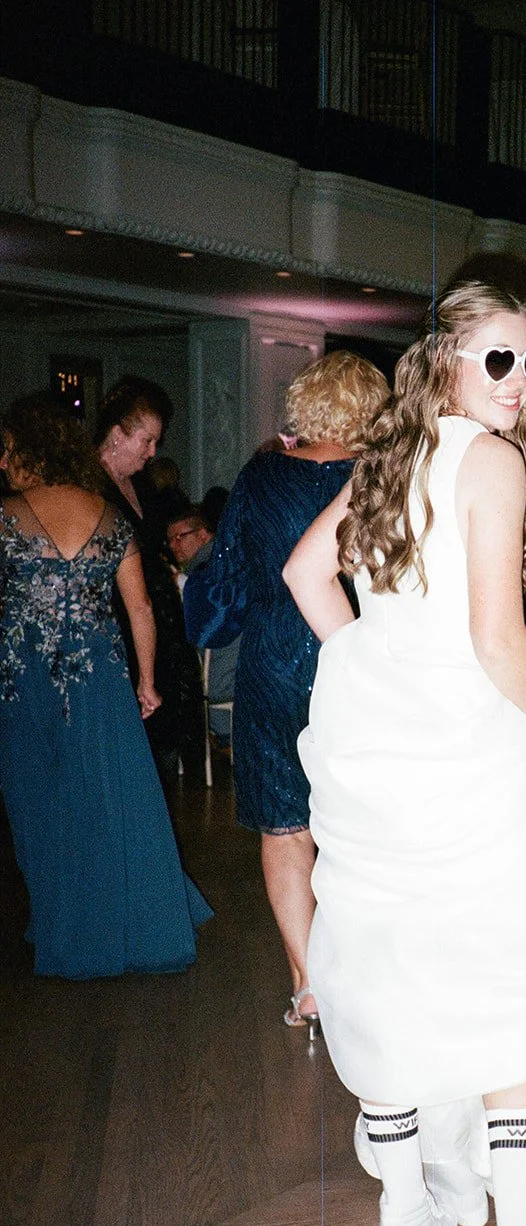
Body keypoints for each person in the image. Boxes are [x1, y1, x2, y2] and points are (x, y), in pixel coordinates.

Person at [284, 281, 526, 1226]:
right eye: (498, 358)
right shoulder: (494, 459)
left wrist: (375, 669)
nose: (519, 382)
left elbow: (306, 575)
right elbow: (495, 634)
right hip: (463, 746)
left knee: (389, 965)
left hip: (374, 754)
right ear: (448, 360)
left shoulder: (394, 455)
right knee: (511, 972)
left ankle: (403, 1220)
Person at [183, 350, 389, 1035]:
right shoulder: (383, 475)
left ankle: (307, 984)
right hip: (361, 662)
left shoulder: (262, 474)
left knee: (284, 825)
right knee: (366, 826)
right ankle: (373, 976)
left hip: (273, 666)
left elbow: (227, 585)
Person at [0, 396, 210, 977]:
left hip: (24, 676)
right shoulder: (109, 516)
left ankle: (64, 927)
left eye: (8, 450)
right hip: (98, 674)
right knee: (108, 801)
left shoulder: (7, 515)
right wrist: (147, 682)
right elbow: (139, 608)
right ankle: (127, 921)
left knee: (38, 804)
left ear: (27, 454)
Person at [95, 377, 204, 776]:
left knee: (163, 728)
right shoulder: (90, 487)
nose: (152, 451)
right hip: (118, 618)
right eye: (147, 440)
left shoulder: (139, 483)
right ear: (117, 434)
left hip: (154, 616)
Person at [167, 507, 238, 744]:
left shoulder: (211, 572)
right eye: (169, 540)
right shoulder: (216, 566)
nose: (173, 545)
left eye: (180, 537)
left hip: (219, 693)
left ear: (204, 534)